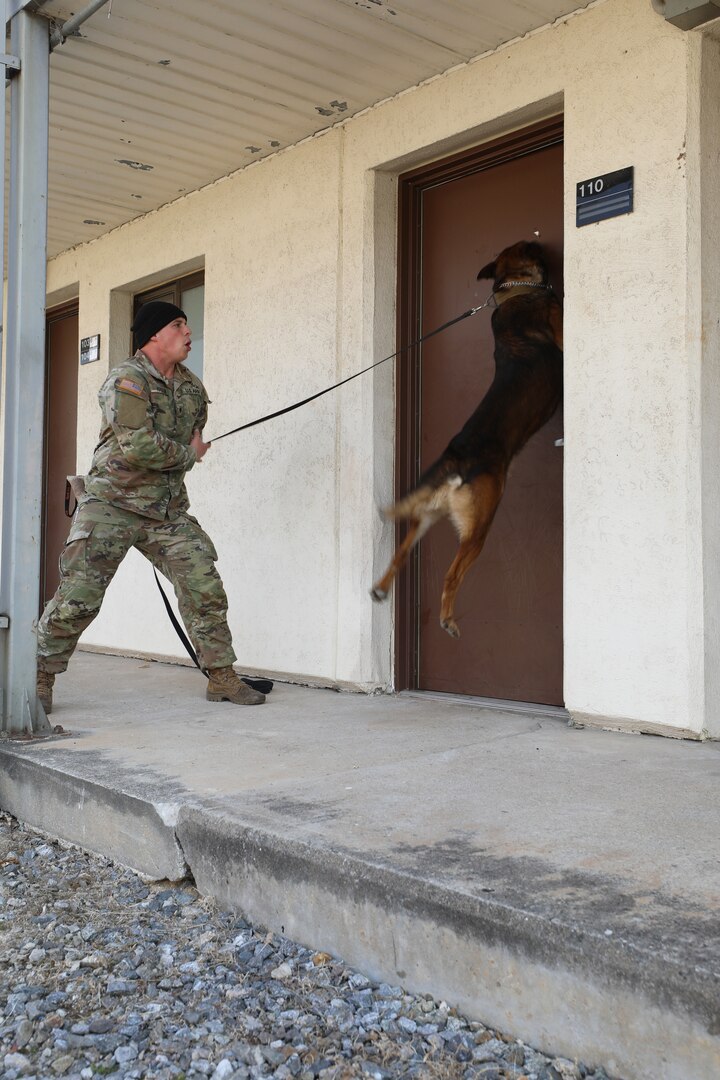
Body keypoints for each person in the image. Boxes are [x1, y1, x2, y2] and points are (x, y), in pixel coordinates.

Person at [36, 300, 265, 711]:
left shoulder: (193, 388)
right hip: (111, 504)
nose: (188, 332)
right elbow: (139, 446)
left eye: (188, 324)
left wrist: (187, 453)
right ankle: (38, 675)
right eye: (179, 324)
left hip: (166, 510)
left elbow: (188, 442)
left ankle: (222, 677)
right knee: (79, 595)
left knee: (203, 584)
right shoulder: (126, 380)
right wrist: (189, 454)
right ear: (155, 334)